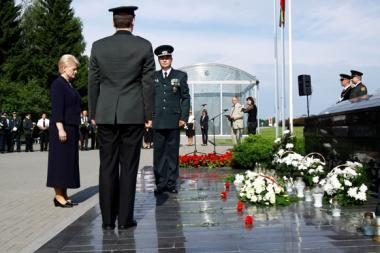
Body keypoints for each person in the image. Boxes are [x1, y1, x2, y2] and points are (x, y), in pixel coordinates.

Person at [88, 6, 155, 230]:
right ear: (132, 21)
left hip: (105, 114)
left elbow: (93, 83)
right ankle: (125, 219)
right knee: (128, 168)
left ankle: (107, 220)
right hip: (133, 114)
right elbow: (147, 84)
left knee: (106, 166)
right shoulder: (144, 46)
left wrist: (94, 112)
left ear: (114, 22)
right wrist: (149, 115)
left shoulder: (98, 46)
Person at [152, 44, 190, 195]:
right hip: (158, 120)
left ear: (171, 59)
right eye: (162, 58)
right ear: (159, 60)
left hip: (174, 121)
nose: (165, 60)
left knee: (172, 154)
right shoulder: (153, 77)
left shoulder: (180, 76)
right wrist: (148, 118)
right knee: (159, 153)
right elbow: (148, 98)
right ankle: (160, 183)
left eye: (167, 58)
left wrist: (183, 117)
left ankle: (171, 183)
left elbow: (185, 98)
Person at [47, 54, 81, 208]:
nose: (76, 71)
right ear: (65, 67)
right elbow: (57, 109)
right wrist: (60, 128)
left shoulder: (69, 85)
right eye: (74, 69)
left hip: (71, 128)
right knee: (59, 163)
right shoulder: (58, 84)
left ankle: (64, 194)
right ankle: (58, 196)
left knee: (68, 163)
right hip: (62, 128)